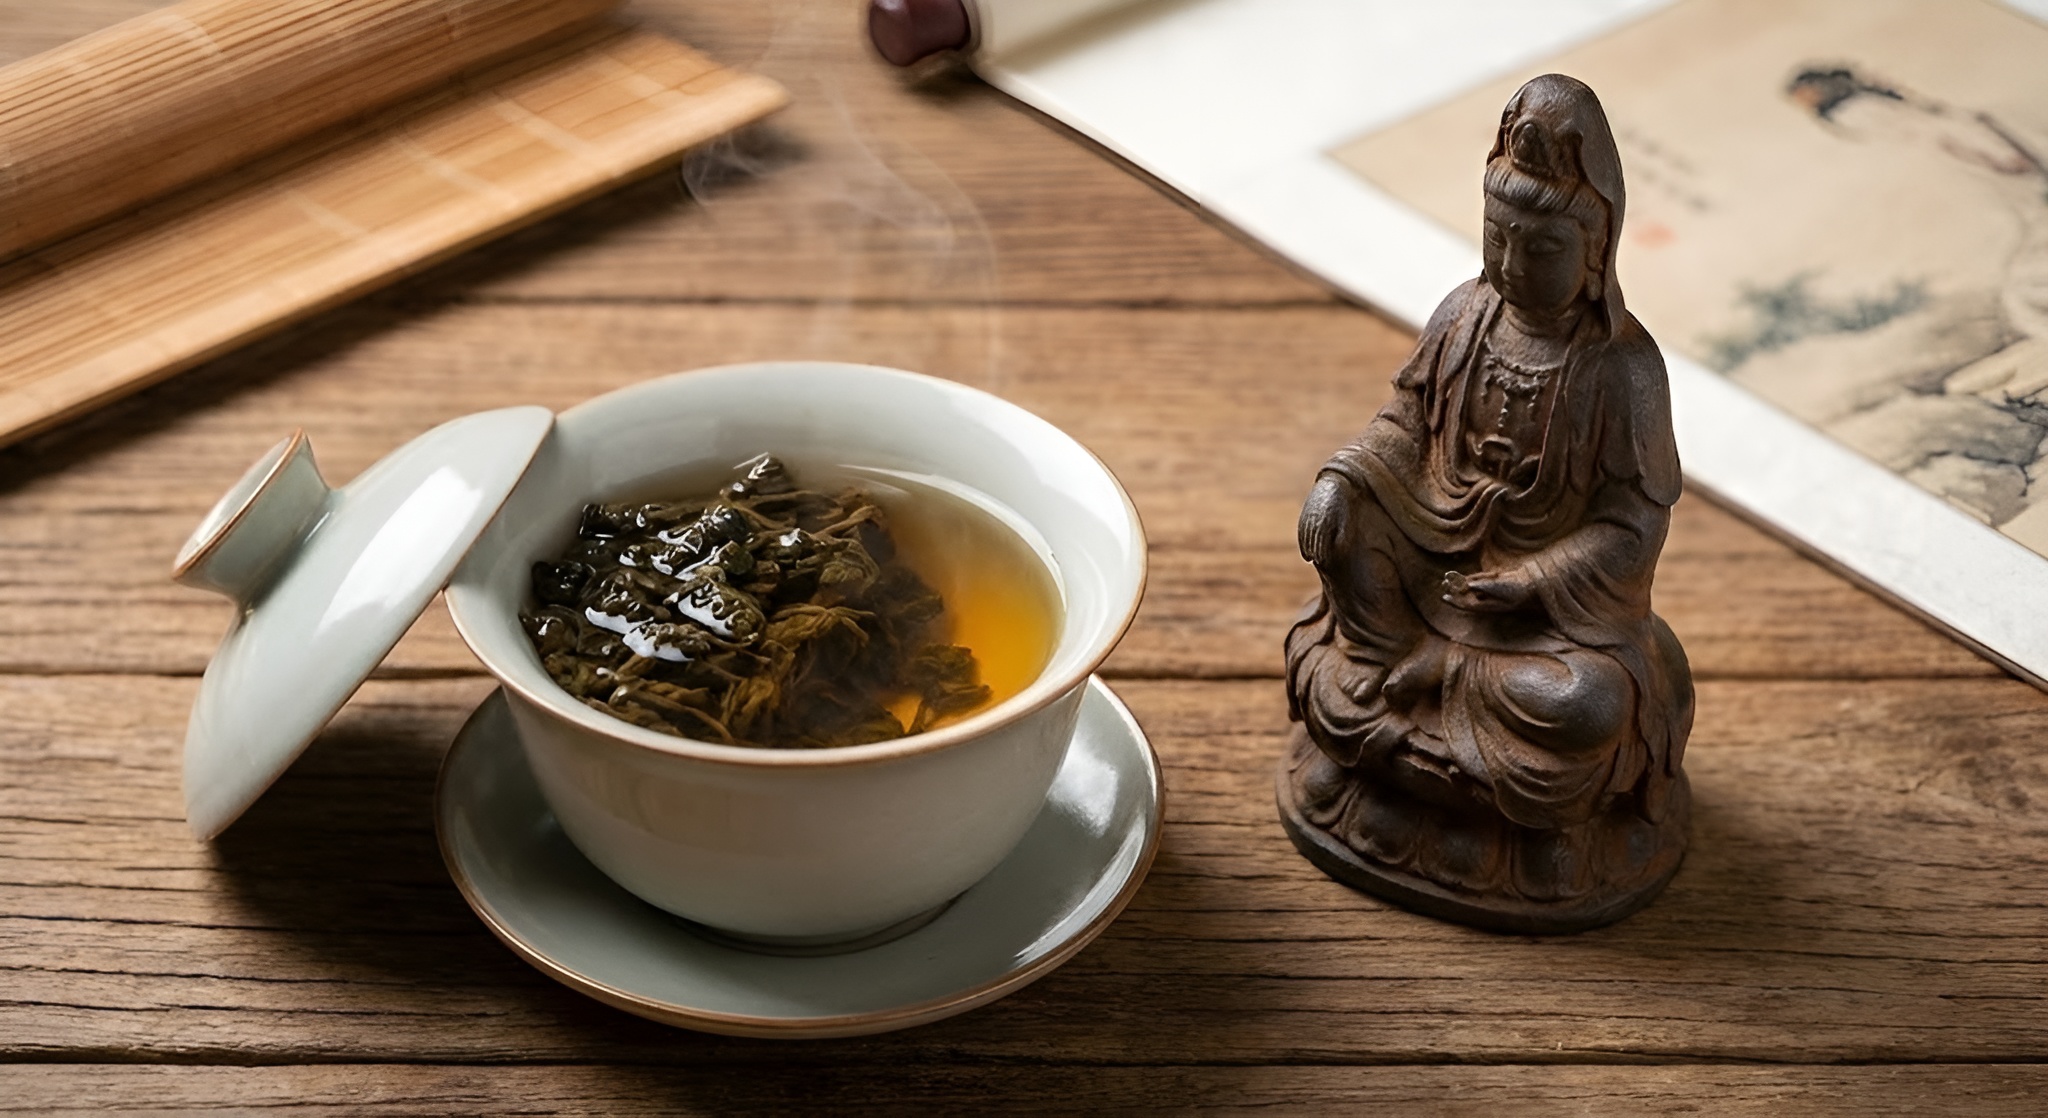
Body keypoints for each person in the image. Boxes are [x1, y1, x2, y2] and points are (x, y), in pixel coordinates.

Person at [1281, 74, 1692, 928]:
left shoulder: (1621, 369)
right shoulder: (1462, 317)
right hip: (1431, 582)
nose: (1510, 264)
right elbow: (1404, 424)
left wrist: (1536, 580)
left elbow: (1632, 526)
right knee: (1350, 534)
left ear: (1594, 253)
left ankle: (1421, 693)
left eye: (1539, 250)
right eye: (1497, 237)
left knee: (1589, 706)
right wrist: (1341, 478)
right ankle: (1388, 664)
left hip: (1544, 629)